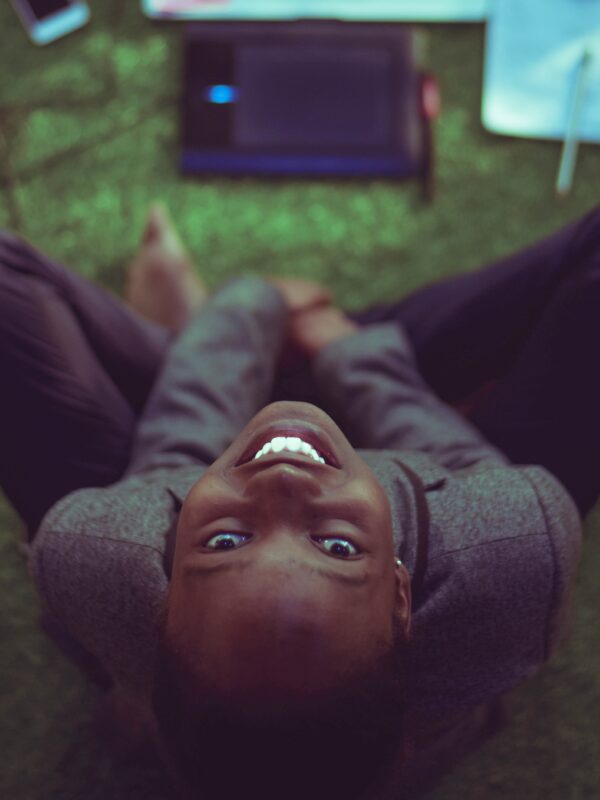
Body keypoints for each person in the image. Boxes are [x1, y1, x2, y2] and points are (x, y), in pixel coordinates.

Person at [2, 202, 597, 799]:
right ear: (400, 594)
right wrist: (342, 348)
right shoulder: (514, 547)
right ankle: (231, 342)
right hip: (407, 412)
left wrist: (250, 306)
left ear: (158, 597)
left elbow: (177, 452)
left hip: (197, 450)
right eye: (336, 547)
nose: (282, 483)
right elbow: (452, 456)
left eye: (227, 540)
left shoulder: (97, 553)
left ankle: (194, 337)